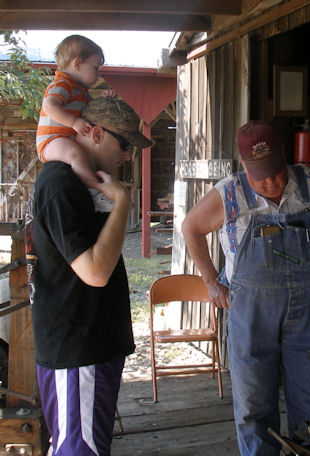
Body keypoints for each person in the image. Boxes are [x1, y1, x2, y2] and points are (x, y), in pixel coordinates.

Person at [182, 120, 310, 456]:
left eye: (276, 171)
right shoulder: (229, 193)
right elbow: (190, 227)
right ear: (244, 165)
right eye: (260, 175)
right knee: (254, 403)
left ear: (283, 155)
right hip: (252, 313)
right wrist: (211, 283)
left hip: (306, 311)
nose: (271, 181)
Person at [26, 97, 151, 456]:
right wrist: (122, 203)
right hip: (78, 348)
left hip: (89, 346)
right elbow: (95, 272)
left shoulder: (79, 184)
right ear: (95, 134)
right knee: (79, 450)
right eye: (123, 144)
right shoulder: (60, 184)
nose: (127, 155)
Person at [36, 34, 104, 190]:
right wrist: (74, 122)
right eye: (95, 68)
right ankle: (94, 189)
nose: (98, 74)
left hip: (64, 140)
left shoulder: (81, 91)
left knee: (82, 153)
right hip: (50, 141)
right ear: (77, 64)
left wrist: (106, 98)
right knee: (75, 153)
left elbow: (95, 110)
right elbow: (49, 106)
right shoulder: (62, 84)